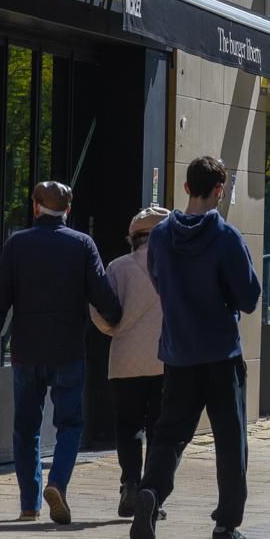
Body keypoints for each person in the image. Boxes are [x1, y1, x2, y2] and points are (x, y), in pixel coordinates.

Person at [129, 156, 262, 539]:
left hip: (179, 352)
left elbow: (156, 280)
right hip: (221, 352)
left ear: (186, 188)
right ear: (219, 190)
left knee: (169, 433)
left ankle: (151, 490)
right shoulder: (226, 237)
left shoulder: (163, 236)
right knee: (229, 438)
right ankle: (225, 526)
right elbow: (250, 298)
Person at [0, 180, 123, 525]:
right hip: (68, 350)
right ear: (68, 210)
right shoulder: (82, 245)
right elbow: (103, 296)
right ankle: (57, 482)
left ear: (35, 207)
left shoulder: (17, 245)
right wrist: (119, 318)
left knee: (26, 428)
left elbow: (0, 300)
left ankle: (29, 504)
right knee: (70, 423)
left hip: (26, 351)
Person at [91, 206, 169, 518]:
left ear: (133, 238)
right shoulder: (176, 265)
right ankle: (152, 491)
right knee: (160, 428)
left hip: (125, 360)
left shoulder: (117, 267)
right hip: (167, 359)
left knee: (128, 426)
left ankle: (129, 484)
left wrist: (115, 330)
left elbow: (100, 311)